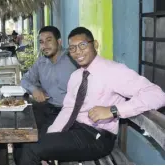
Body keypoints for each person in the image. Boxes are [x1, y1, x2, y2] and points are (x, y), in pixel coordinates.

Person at [18, 27, 165, 164]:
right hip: (75, 128)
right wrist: (50, 137)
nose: (78, 52)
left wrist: (113, 110)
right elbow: (68, 110)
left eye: (82, 45)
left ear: (95, 44)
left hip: (97, 137)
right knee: (29, 142)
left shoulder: (113, 71)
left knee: (33, 148)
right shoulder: (76, 76)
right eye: (72, 48)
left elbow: (157, 95)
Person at [14, 26, 77, 164]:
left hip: (70, 115)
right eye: (41, 42)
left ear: (59, 42)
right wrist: (34, 89)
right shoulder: (41, 62)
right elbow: (25, 79)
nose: (45, 45)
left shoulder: (73, 59)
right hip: (48, 109)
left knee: (33, 145)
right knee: (20, 138)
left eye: (49, 40)